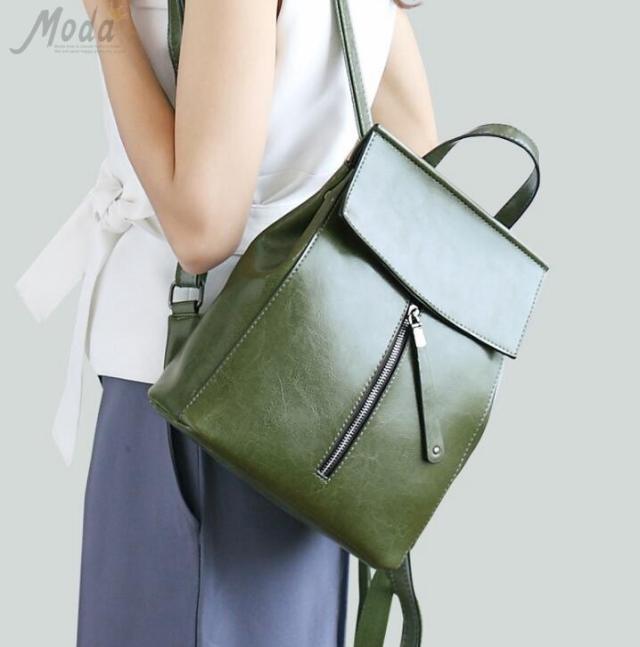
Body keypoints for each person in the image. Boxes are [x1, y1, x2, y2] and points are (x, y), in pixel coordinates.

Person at [17, 0, 438, 645]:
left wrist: (108, 16)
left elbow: (203, 228)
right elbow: (415, 152)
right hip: (312, 402)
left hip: (193, 387)